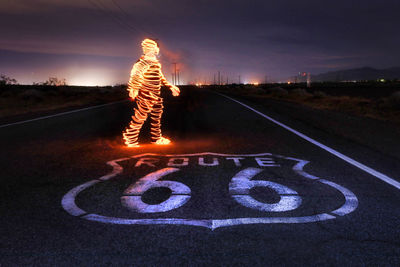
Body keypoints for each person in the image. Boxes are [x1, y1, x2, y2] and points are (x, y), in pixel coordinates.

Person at [123, 38, 180, 147]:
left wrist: (170, 86)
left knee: (156, 115)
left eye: (153, 48)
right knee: (141, 116)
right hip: (146, 94)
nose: (154, 50)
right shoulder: (142, 62)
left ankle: (156, 138)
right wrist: (134, 88)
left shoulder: (156, 63)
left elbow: (161, 77)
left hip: (156, 95)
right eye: (150, 48)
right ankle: (130, 138)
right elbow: (136, 74)